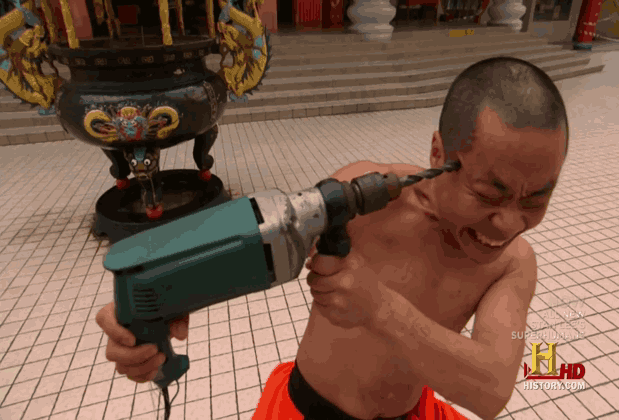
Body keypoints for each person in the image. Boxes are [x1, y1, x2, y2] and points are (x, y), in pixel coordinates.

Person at [96, 56, 569, 419]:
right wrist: (144, 310)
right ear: (438, 153)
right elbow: (245, 248)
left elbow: (491, 388)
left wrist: (380, 309)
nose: (508, 224)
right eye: (488, 193)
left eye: (536, 198)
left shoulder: (513, 263)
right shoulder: (364, 199)